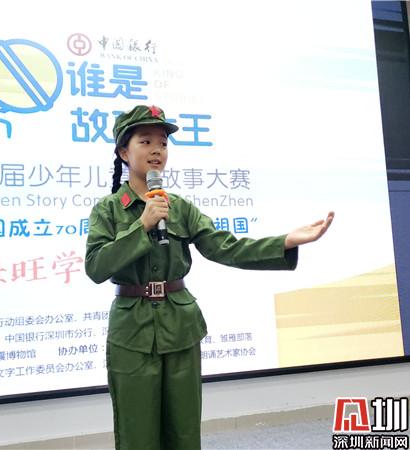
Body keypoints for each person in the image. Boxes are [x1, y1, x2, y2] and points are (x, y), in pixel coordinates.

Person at [84, 104, 334, 450]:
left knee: (184, 431)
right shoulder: (108, 210)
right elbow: (96, 266)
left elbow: (225, 248)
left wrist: (286, 242)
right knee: (137, 433)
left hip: (181, 327)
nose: (157, 150)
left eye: (163, 143)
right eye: (146, 141)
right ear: (124, 152)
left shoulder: (180, 208)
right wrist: (142, 225)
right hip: (131, 333)